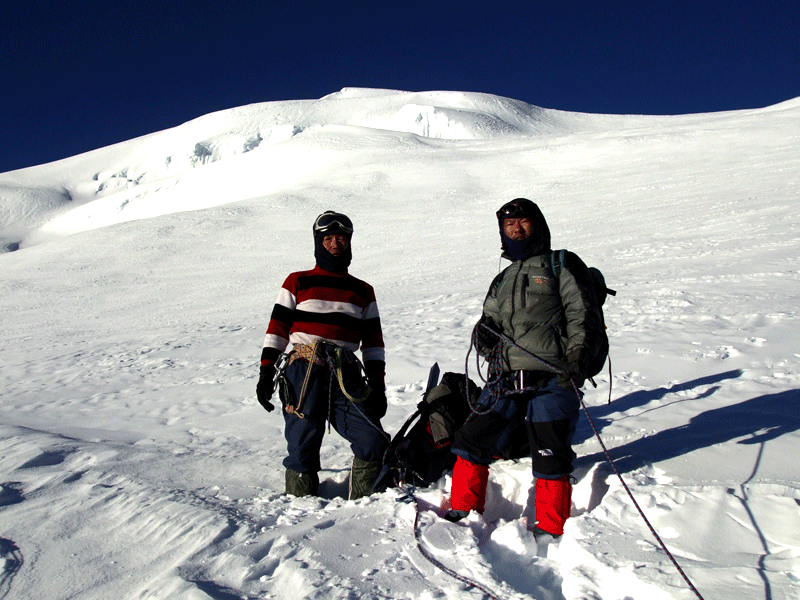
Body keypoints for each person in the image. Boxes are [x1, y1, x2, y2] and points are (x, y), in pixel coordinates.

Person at [445, 198, 605, 539]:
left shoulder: (562, 264)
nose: (516, 229)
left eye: (523, 221)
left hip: (554, 377)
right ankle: (463, 508)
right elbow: (489, 320)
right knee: (472, 439)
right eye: (508, 224)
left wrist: (579, 359)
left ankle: (550, 527)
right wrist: (483, 336)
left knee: (551, 452)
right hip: (505, 377)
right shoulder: (503, 278)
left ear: (538, 224)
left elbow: (582, 314)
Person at [256, 211, 389, 499]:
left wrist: (378, 386)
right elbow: (277, 330)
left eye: (340, 238)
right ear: (318, 242)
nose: (334, 243)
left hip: (346, 374)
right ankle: (300, 508)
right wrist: (266, 372)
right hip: (303, 370)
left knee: (372, 439)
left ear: (349, 242)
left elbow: (374, 343)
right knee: (302, 442)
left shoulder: (363, 291)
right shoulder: (297, 282)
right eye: (327, 238)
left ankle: (366, 509)